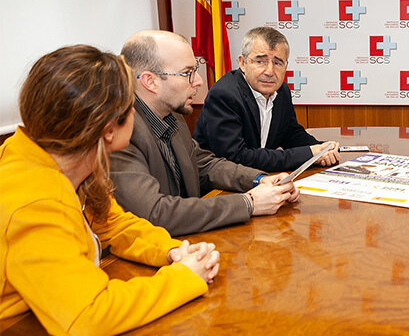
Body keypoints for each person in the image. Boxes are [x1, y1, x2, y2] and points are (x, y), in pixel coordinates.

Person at [0, 45, 219, 336]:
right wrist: (184, 278)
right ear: (106, 129)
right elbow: (89, 315)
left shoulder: (65, 162)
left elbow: (114, 224)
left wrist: (171, 252)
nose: (135, 113)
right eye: (131, 107)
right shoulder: (35, 200)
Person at [109, 31, 298, 236]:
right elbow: (155, 213)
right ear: (150, 81)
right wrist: (248, 203)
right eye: (187, 73)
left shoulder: (173, 116)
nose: (198, 81)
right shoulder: (118, 133)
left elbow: (204, 163)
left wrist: (259, 180)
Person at [193, 26, 339, 172]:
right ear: (243, 63)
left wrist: (323, 149)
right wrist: (309, 154)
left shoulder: (281, 91)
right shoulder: (224, 95)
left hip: (259, 179)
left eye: (277, 63)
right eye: (260, 61)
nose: (269, 71)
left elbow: (290, 133)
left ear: (285, 65)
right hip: (218, 186)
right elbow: (236, 158)